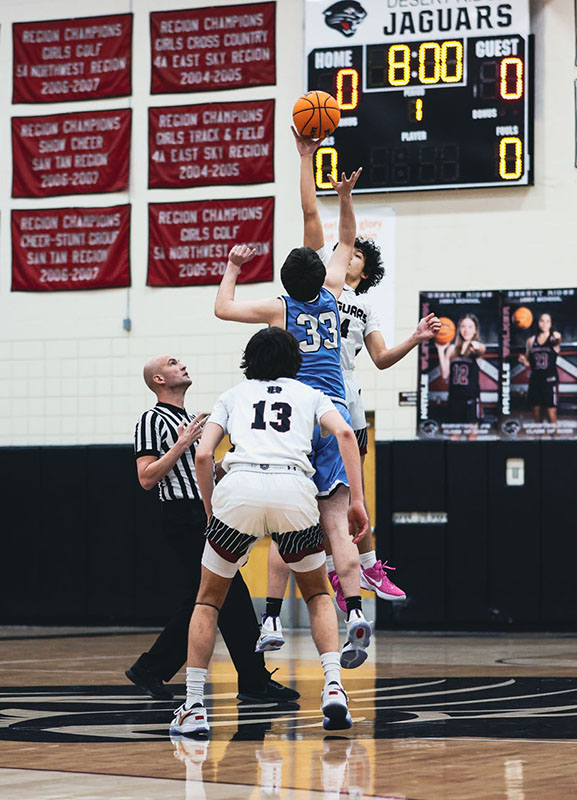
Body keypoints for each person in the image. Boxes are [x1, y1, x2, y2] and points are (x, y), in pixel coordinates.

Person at [254, 132, 441, 634]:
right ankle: (341, 581)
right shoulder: (321, 284)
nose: (346, 250)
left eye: (354, 251)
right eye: (345, 248)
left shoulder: (361, 304)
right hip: (309, 403)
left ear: (362, 265)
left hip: (345, 403)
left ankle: (362, 567)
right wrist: (310, 164)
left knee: (344, 505)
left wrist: (416, 337)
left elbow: (379, 359)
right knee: (314, 514)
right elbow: (314, 218)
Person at [169, 327, 370, 738]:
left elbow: (204, 455)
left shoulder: (231, 395)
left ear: (249, 360)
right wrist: (357, 500)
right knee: (315, 593)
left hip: (238, 492)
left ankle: (193, 707)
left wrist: (211, 506)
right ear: (294, 361)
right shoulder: (311, 395)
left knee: (208, 601)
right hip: (293, 491)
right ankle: (333, 686)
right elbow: (347, 434)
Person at [213, 166, 373, 669]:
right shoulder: (334, 294)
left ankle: (272, 619)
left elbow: (223, 308)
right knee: (338, 527)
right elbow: (344, 236)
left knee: (290, 530)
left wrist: (235, 266)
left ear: (284, 281)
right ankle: (357, 613)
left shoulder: (280, 309)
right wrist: (345, 197)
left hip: (299, 419)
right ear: (323, 273)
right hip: (336, 413)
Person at [125, 353, 299, 705]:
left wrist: (234, 461)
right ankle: (252, 680)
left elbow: (206, 470)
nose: (183, 365)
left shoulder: (192, 419)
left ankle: (152, 668)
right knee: (226, 595)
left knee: (209, 598)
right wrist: (182, 444)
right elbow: (146, 477)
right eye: (173, 363)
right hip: (180, 515)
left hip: (207, 512)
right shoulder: (151, 419)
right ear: (158, 380)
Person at [437, 314, 487, 424]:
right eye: (463, 326)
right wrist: (440, 350)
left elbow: (482, 350)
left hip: (471, 400)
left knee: (472, 437)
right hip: (454, 400)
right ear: (459, 329)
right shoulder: (451, 349)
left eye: (470, 327)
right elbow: (445, 375)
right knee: (454, 437)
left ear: (475, 330)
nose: (466, 330)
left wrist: (477, 346)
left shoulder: (476, 348)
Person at [518, 312, 562, 424]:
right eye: (542, 321)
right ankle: (540, 441)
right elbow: (529, 363)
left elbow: (558, 340)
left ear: (551, 324)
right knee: (537, 418)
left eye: (547, 321)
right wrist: (523, 361)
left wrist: (557, 338)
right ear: (538, 323)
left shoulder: (554, 338)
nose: (544, 324)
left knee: (551, 415)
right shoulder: (531, 341)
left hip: (550, 381)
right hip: (535, 381)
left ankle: (555, 441)